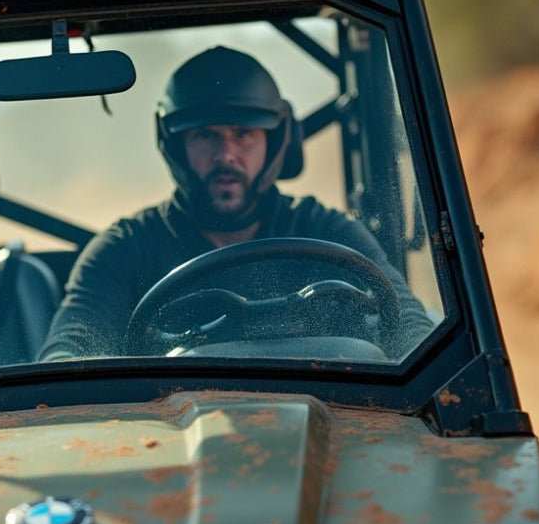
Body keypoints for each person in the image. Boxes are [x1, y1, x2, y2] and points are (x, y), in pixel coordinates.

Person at [39, 46, 434, 361]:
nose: (226, 155)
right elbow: (69, 356)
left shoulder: (332, 235)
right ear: (176, 146)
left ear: (274, 142)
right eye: (205, 135)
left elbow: (415, 335)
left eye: (243, 134)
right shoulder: (123, 251)